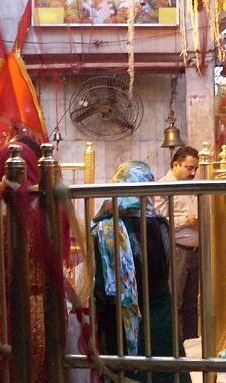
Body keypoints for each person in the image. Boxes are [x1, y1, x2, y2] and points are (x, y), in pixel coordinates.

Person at [91, 161, 183, 383]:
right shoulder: (159, 223)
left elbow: (103, 287)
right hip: (161, 318)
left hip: (122, 325)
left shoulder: (105, 228)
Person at [154, 146, 201, 340]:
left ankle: (190, 345)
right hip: (177, 250)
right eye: (189, 168)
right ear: (175, 164)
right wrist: (185, 221)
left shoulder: (192, 185)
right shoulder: (162, 187)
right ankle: (172, 345)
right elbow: (159, 221)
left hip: (196, 250)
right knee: (175, 301)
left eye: (195, 169)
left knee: (192, 304)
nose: (193, 173)